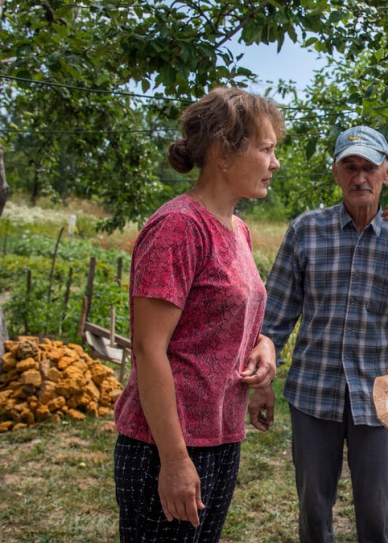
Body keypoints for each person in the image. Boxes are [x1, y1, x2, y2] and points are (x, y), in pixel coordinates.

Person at [262, 125, 388, 543]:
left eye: (369, 167)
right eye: (350, 166)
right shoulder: (306, 229)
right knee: (312, 509)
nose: (359, 177)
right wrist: (263, 381)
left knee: (378, 514)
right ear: (336, 173)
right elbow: (274, 317)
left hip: (384, 395)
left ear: (387, 172)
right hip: (313, 390)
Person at [113, 87, 283, 542]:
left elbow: (233, 320)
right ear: (223, 153)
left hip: (221, 436)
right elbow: (149, 350)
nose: (275, 162)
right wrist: (175, 460)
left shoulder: (238, 229)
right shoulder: (179, 227)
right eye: (266, 149)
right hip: (166, 445)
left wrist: (262, 352)